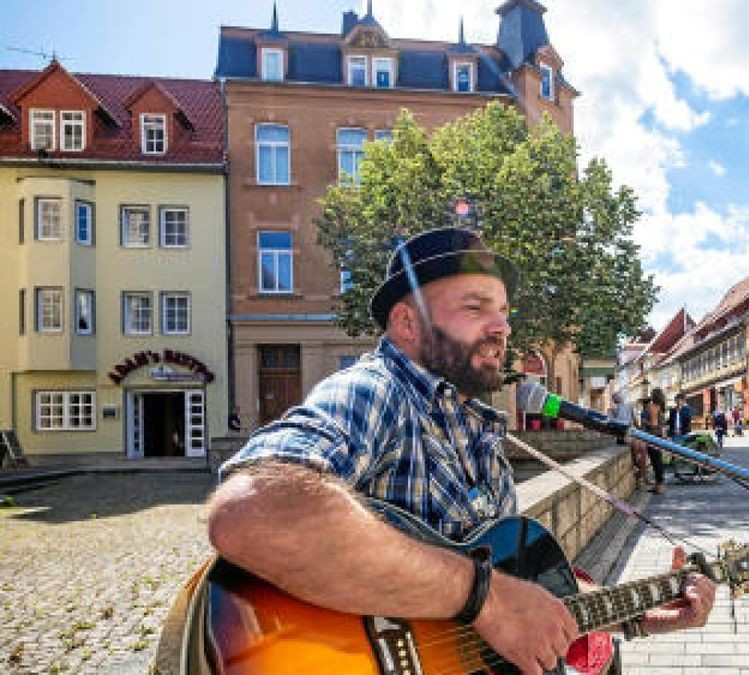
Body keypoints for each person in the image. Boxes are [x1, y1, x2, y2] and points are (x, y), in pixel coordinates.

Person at [206, 228, 714, 675]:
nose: (502, 328)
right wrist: (484, 596)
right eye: (475, 308)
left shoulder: (477, 430)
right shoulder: (376, 392)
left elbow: (521, 597)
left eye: (503, 312)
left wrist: (638, 612)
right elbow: (250, 510)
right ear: (408, 324)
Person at [645, 388, 669, 495]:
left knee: (656, 462)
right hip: (659, 437)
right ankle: (658, 486)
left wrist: (645, 422)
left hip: (652, 437)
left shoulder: (652, 406)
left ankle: (659, 487)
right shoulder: (661, 407)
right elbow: (662, 425)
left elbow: (654, 424)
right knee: (658, 461)